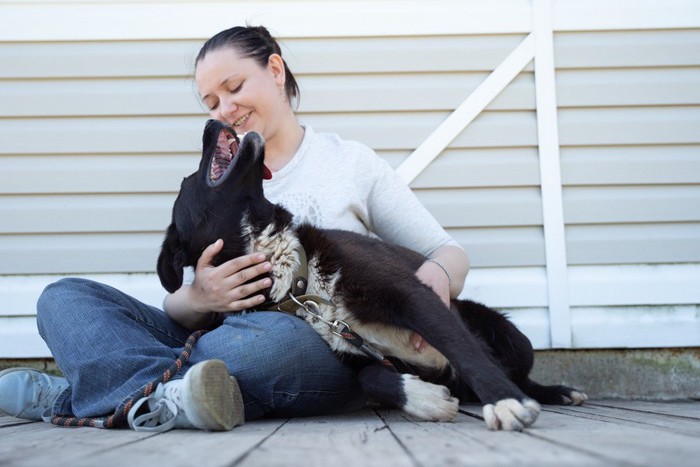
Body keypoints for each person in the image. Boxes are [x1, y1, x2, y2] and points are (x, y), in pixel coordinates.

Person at [0, 25, 469, 432]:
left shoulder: (348, 163)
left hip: (315, 352)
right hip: (211, 338)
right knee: (64, 299)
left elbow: (446, 251)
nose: (224, 107)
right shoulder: (218, 176)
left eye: (234, 85)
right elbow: (184, 312)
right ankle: (175, 399)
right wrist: (199, 297)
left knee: (260, 344)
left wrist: (436, 279)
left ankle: (80, 397)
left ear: (276, 71)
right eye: (211, 101)